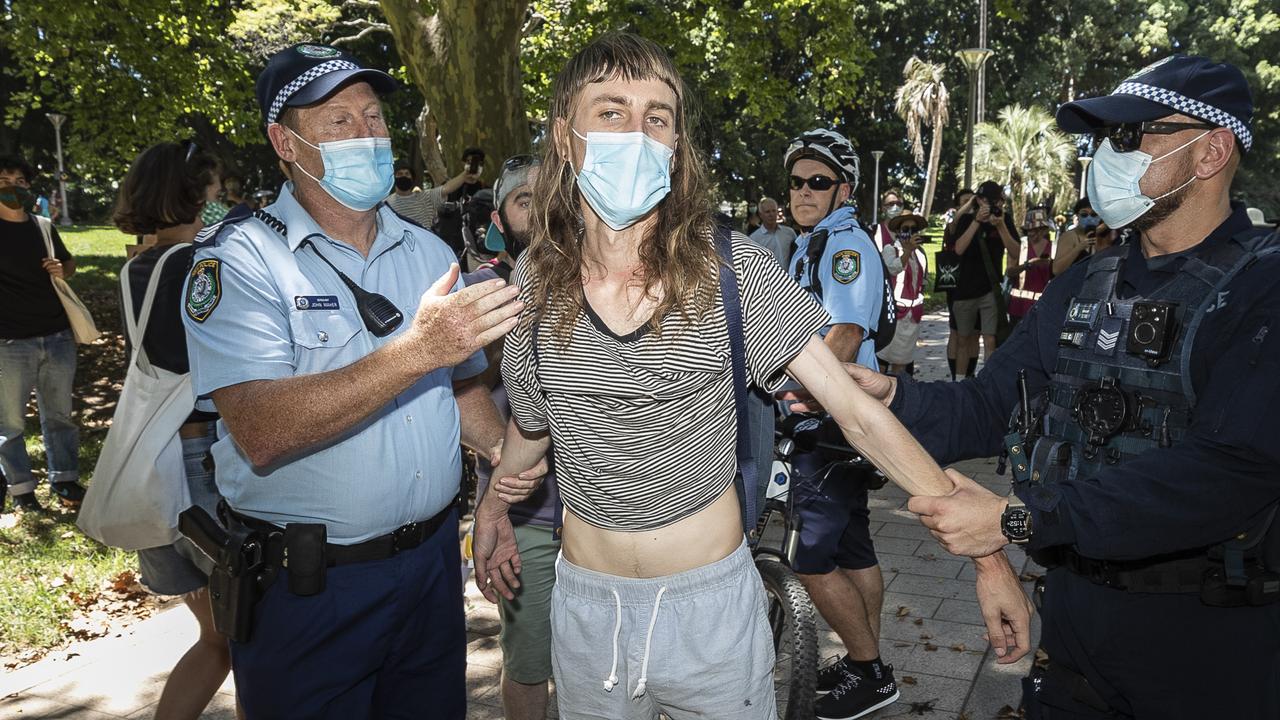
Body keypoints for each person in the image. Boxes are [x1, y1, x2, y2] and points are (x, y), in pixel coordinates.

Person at [471, 33, 1031, 720]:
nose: (638, 134)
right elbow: (535, 425)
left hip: (714, 615)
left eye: (658, 117)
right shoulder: (533, 280)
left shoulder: (734, 270)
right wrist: (494, 506)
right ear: (565, 136)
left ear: (676, 145)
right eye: (612, 112)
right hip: (589, 616)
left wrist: (987, 558)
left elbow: (856, 411)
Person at [808, 54, 1280, 719]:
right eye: (1099, 140)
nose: (1103, 158)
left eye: (1128, 136)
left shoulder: (1261, 289)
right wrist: (894, 399)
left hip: (1205, 647)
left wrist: (1016, 518)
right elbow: (984, 407)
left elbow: (1226, 473)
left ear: (1211, 151)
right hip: (1075, 631)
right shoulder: (1087, 283)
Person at [179, 43, 530, 718]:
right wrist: (419, 348)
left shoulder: (425, 250)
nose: (366, 134)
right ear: (285, 142)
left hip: (429, 572)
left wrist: (500, 474)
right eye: (338, 121)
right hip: (308, 591)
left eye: (373, 117)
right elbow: (259, 429)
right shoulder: (240, 260)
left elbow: (455, 388)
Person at [111, 141, 241, 720]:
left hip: (161, 466)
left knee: (218, 639)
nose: (220, 203)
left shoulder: (132, 270)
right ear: (192, 196)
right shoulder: (201, 266)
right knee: (253, 635)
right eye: (213, 193)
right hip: (208, 458)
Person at [783, 128, 904, 719]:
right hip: (844, 422)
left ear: (844, 190)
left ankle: (871, 670)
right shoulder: (816, 241)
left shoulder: (844, 246)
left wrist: (794, 389)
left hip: (828, 421)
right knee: (854, 547)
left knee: (809, 559)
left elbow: (847, 334)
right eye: (797, 181)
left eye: (818, 182)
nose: (803, 191)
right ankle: (865, 662)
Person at [0, 155, 85, 513]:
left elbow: (69, 264)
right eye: (4, 179)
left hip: (57, 335)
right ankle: (21, 488)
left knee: (59, 415)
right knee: (9, 422)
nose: (12, 187)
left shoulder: (43, 226)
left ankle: (65, 478)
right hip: (10, 341)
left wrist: (61, 269)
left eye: (19, 181)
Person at [949, 180, 1019, 372]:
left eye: (1000, 201)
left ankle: (987, 384)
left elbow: (1016, 253)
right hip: (965, 289)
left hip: (991, 290)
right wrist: (977, 221)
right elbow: (959, 249)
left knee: (990, 339)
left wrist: (1002, 226)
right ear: (980, 200)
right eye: (993, 201)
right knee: (964, 339)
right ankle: (961, 383)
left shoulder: (1005, 219)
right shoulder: (966, 220)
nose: (998, 205)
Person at [877, 212, 928, 374]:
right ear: (898, 232)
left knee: (903, 362)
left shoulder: (920, 254)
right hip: (894, 314)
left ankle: (899, 395)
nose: (910, 232)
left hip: (912, 316)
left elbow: (922, 281)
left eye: (914, 229)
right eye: (906, 229)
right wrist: (906, 251)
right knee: (882, 360)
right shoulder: (890, 250)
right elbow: (893, 268)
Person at [481, 155, 540, 281]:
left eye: (547, 200)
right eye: (525, 204)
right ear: (499, 222)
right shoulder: (482, 283)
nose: (540, 212)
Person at [942, 189, 979, 380]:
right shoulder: (953, 225)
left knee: (974, 334)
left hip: (977, 286)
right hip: (956, 286)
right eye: (965, 202)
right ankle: (956, 374)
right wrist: (970, 203)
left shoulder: (978, 223)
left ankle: (969, 374)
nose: (971, 205)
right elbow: (956, 220)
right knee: (957, 332)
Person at [1006, 207, 1055, 329]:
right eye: (1029, 230)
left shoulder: (1054, 248)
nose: (1032, 233)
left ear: (1044, 230)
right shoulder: (1020, 246)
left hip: (1044, 307)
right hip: (1018, 307)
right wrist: (1028, 265)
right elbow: (1009, 272)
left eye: (1036, 229)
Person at [1052, 197, 1101, 275]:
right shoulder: (1070, 236)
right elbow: (1056, 270)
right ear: (1077, 216)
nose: (1089, 218)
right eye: (1084, 214)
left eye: (1093, 214)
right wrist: (1078, 248)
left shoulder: (1103, 236)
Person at [748, 196, 797, 267]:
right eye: (767, 212)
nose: (771, 214)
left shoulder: (789, 233)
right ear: (761, 215)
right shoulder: (754, 239)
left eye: (774, 211)